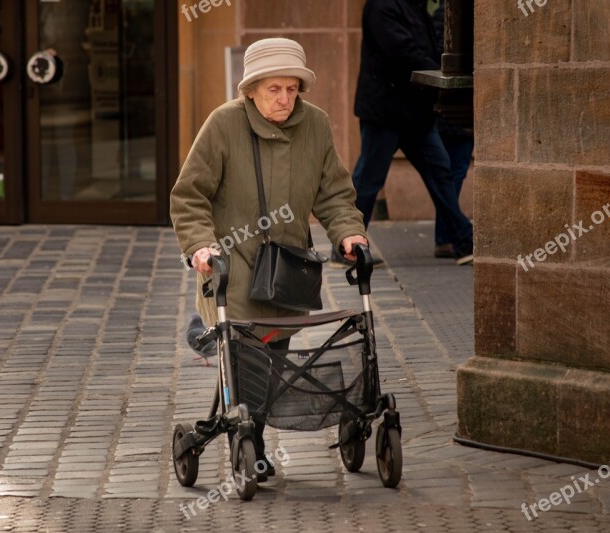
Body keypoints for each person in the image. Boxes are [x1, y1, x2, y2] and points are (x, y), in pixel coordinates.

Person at [170, 37, 368, 481]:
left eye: (292, 89)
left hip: (286, 274)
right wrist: (200, 246)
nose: (284, 98)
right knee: (249, 361)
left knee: (271, 359)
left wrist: (349, 232)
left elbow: (333, 192)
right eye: (274, 89)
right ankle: (251, 440)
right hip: (232, 270)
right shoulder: (223, 124)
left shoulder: (315, 125)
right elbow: (190, 196)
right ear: (252, 88)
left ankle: (246, 423)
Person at [342, 0, 474, 266]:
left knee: (441, 174)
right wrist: (435, 71)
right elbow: (401, 50)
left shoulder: (414, 6)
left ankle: (463, 242)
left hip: (415, 113)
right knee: (369, 179)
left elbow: (431, 44)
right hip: (385, 113)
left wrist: (441, 69)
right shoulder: (382, 6)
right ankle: (347, 247)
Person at [431, 0, 474, 259]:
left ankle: (447, 235)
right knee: (452, 173)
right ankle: (448, 235)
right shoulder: (452, 18)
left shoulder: (440, 16)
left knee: (448, 174)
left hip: (447, 105)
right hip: (455, 106)